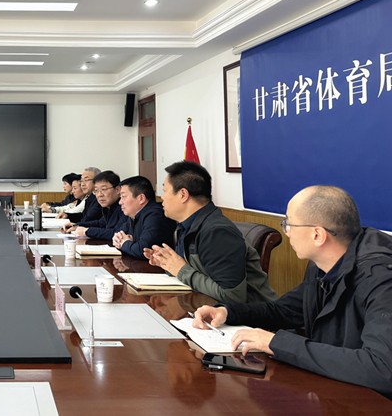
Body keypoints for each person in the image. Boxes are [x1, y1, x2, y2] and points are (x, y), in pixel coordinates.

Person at [192, 185, 392, 398]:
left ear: (317, 235)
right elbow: (284, 311)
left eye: (289, 223)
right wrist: (228, 312)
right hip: (335, 391)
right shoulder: (323, 264)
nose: (286, 231)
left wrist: (276, 343)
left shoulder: (381, 278)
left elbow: (381, 369)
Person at [145, 161, 275, 304]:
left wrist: (181, 269)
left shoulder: (217, 232)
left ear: (183, 194)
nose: (162, 197)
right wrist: (167, 263)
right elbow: (193, 271)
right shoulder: (186, 226)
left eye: (165, 190)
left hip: (249, 314)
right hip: (206, 306)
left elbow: (232, 296)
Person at [112, 175, 176, 259]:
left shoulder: (156, 215)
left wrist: (124, 243)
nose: (120, 202)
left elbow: (142, 250)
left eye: (123, 196)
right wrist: (117, 238)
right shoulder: (134, 215)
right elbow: (120, 234)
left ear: (141, 198)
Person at [67, 171, 129, 240]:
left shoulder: (125, 207)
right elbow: (100, 223)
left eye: (103, 189)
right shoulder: (108, 207)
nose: (99, 195)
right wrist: (77, 225)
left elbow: (117, 233)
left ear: (117, 190)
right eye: (96, 190)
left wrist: (87, 231)